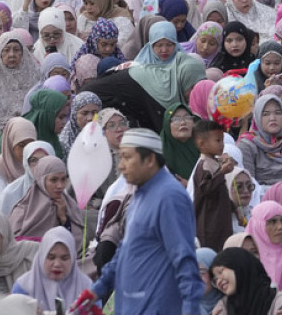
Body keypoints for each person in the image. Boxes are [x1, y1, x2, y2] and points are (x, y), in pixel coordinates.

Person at [80, 128, 205, 314]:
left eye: (127, 157)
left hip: (157, 306)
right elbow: (125, 250)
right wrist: (96, 290)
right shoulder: (139, 193)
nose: (121, 166)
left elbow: (184, 260)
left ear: (149, 160)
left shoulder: (170, 197)